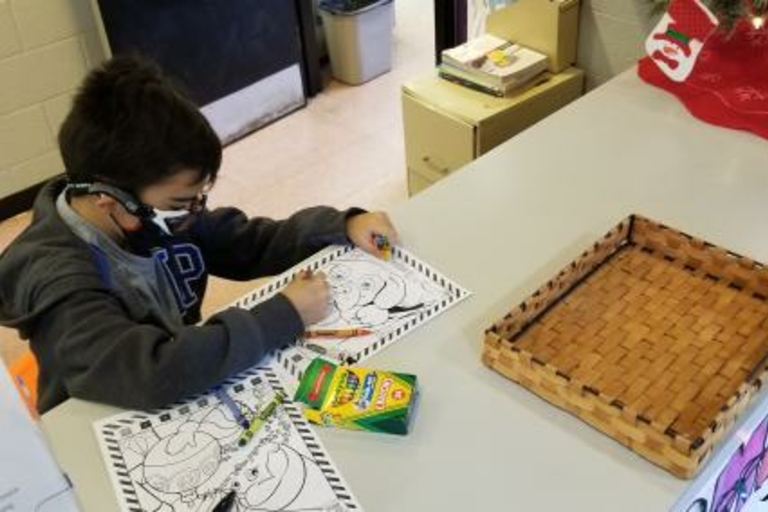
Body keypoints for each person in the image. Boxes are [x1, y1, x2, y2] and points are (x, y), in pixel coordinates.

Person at [0, 55, 399, 414]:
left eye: (198, 199)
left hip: (182, 386)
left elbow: (249, 242)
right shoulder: (56, 279)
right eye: (180, 203)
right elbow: (150, 373)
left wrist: (341, 225)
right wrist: (283, 315)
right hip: (102, 419)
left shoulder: (159, 216)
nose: (195, 213)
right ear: (111, 201)